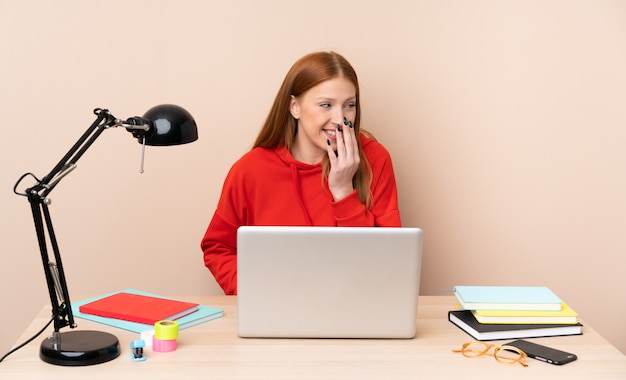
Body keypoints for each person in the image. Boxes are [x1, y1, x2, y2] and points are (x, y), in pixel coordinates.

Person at [201, 51, 402, 295]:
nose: (340, 119)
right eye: (326, 105)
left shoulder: (375, 160)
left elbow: (386, 263)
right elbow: (218, 247)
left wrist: (343, 191)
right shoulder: (250, 170)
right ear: (294, 107)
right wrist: (254, 292)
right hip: (274, 309)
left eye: (350, 105)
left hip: (355, 304)